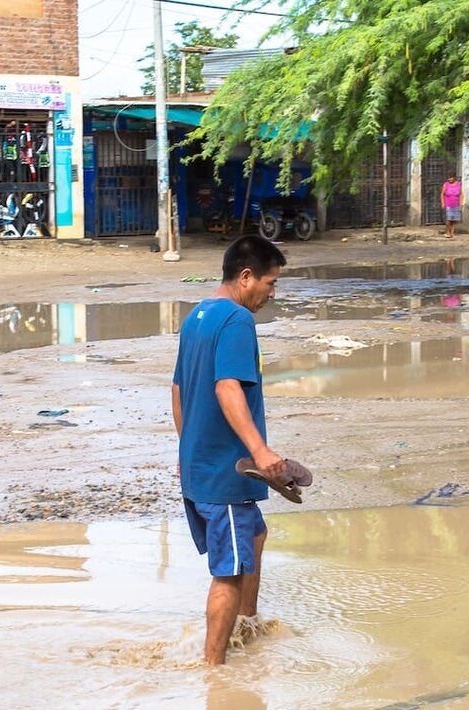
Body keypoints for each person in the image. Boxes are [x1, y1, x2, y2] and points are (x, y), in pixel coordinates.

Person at [172, 235, 289, 666]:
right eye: (271, 283)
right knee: (230, 572)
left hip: (201, 466)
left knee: (254, 536)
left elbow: (177, 389)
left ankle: (247, 625)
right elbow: (226, 386)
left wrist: (187, 449)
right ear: (246, 277)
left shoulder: (198, 316)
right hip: (225, 474)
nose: (272, 293)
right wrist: (260, 451)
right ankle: (214, 670)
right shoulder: (237, 320)